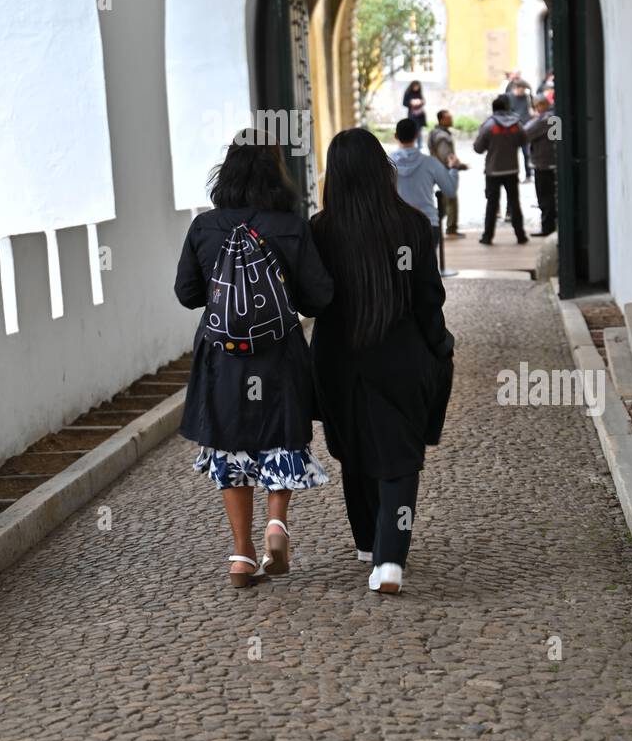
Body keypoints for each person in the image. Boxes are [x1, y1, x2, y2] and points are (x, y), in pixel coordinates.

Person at [174, 132, 333, 587]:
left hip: (222, 359)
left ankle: (241, 555)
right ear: (274, 172)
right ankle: (276, 523)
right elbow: (319, 297)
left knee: (230, 446)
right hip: (278, 356)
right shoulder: (291, 225)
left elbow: (187, 294)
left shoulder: (204, 227)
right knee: (280, 437)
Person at [311, 129, 454, 596]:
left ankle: (369, 543)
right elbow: (428, 299)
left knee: (353, 447)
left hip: (337, 360)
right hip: (401, 355)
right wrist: (439, 346)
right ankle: (390, 559)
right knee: (398, 458)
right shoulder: (411, 226)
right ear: (381, 170)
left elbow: (313, 301)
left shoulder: (320, 229)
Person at [392, 117, 459, 254]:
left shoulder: (386, 164)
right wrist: (453, 169)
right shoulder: (430, 163)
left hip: (398, 226)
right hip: (427, 224)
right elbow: (450, 190)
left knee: (404, 269)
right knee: (426, 271)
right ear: (417, 135)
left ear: (395, 136)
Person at [473, 95, 529, 245]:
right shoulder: (517, 124)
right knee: (515, 203)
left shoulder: (488, 125)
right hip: (512, 169)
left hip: (493, 170)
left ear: (494, 109)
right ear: (506, 108)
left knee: (492, 204)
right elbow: (524, 140)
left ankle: (487, 237)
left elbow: (478, 148)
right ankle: (520, 235)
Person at [428, 109, 468, 237]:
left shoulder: (435, 133)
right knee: (451, 200)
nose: (451, 120)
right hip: (445, 171)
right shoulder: (442, 137)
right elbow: (447, 156)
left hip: (439, 169)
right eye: (448, 118)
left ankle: (439, 225)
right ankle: (451, 228)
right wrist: (457, 166)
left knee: (445, 202)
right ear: (441, 120)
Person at [524, 97, 558, 237]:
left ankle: (547, 228)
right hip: (551, 162)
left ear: (541, 105)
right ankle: (551, 226)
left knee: (545, 198)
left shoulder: (545, 119)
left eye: (536, 106)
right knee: (550, 197)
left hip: (543, 164)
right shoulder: (555, 117)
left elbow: (525, 133)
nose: (536, 109)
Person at [504, 73, 533, 180]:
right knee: (512, 154)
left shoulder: (527, 97)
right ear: (516, 88)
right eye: (522, 89)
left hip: (525, 128)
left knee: (527, 153)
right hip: (513, 128)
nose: (523, 91)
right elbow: (506, 113)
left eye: (525, 89)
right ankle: (513, 176)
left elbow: (530, 110)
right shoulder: (508, 97)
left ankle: (528, 174)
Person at [402, 79, 427, 149]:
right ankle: (412, 146)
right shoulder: (408, 93)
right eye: (415, 86)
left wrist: (420, 102)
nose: (416, 88)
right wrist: (411, 103)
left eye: (417, 86)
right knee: (412, 130)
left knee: (419, 131)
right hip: (412, 116)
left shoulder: (419, 93)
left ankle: (419, 146)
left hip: (420, 116)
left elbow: (423, 101)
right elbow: (404, 103)